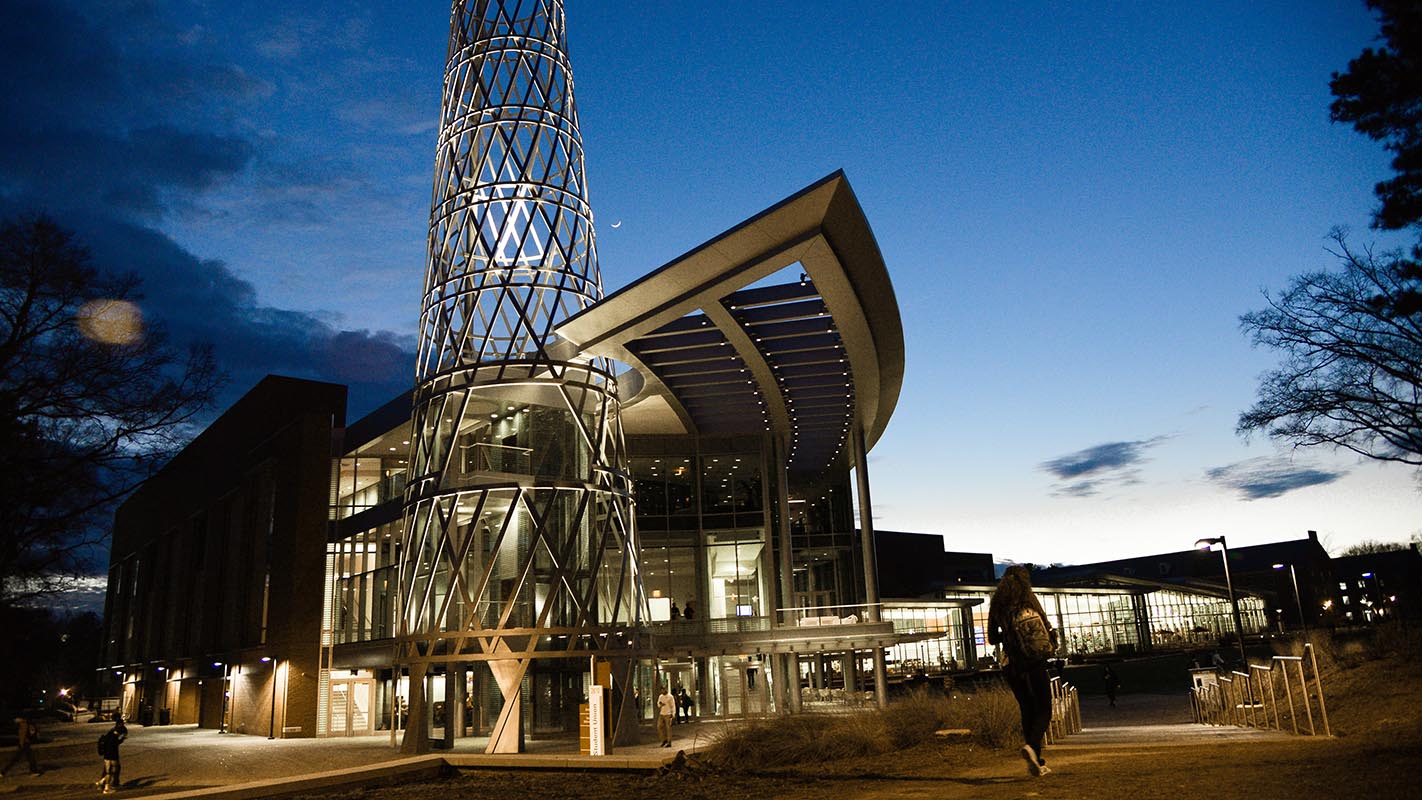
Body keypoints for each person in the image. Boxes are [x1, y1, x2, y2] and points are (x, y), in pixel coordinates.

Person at [987, 565, 1057, 778]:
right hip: (1033, 661)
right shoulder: (1029, 599)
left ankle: (1036, 760)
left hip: (1012, 665)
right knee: (1044, 709)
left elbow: (991, 638)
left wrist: (1008, 635)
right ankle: (1032, 747)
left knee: (1027, 709)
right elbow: (1045, 625)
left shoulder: (997, 603)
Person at [96, 717, 127, 794]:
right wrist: (121, 740)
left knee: (108, 771)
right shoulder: (115, 735)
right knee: (112, 771)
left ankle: (103, 783)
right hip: (112, 755)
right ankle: (106, 785)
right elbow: (115, 743)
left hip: (106, 755)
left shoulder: (110, 733)